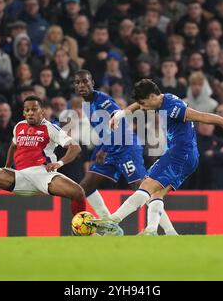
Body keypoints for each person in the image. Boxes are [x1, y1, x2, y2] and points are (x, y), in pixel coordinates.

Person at [94, 79, 223, 235]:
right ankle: (160, 231)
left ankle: (112, 221)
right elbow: (138, 105)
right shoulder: (161, 99)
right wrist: (120, 114)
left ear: (152, 96)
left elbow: (201, 116)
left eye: (144, 103)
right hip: (187, 156)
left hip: (180, 154)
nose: (143, 108)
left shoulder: (174, 108)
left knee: (146, 186)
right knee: (156, 193)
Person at [73, 70, 177, 235]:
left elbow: (120, 122)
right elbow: (104, 131)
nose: (81, 86)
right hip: (110, 149)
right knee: (85, 186)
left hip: (126, 147)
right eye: (78, 82)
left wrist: (104, 149)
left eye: (85, 82)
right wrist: (101, 149)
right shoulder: (86, 105)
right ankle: (111, 228)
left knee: (143, 188)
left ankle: (169, 231)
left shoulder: (104, 101)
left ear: (92, 82)